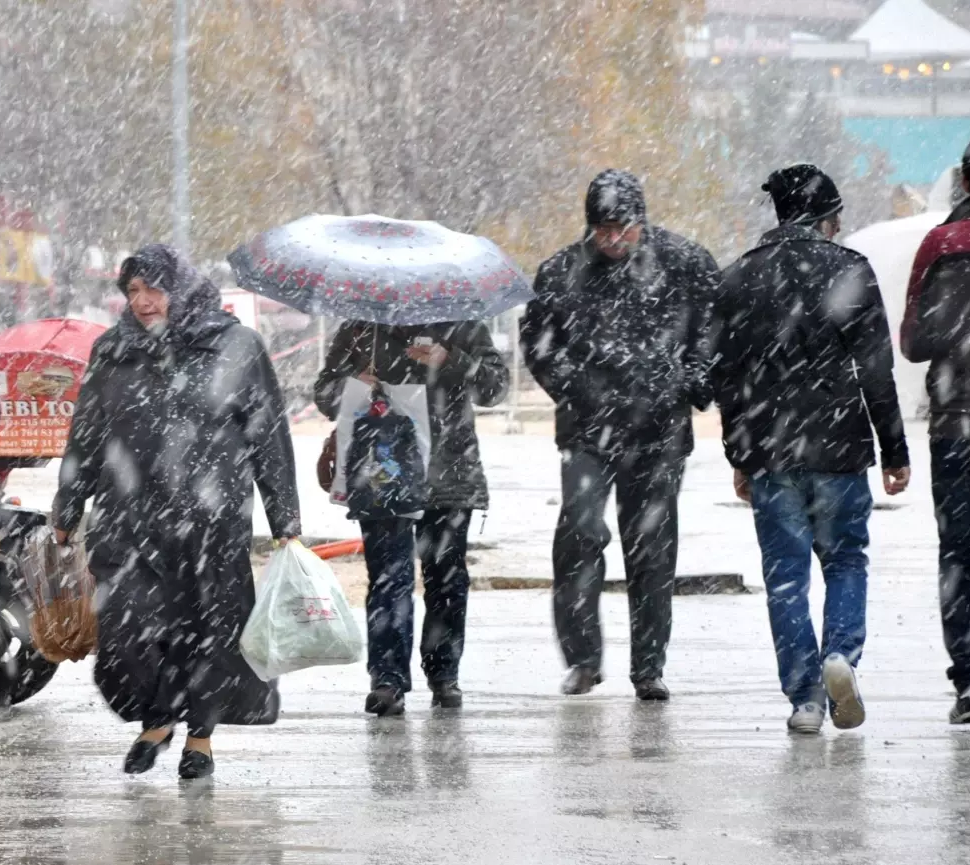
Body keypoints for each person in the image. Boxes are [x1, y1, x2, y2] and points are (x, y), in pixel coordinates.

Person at [52, 244, 301, 779]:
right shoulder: (113, 350)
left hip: (211, 522)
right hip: (128, 519)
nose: (142, 301)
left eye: (153, 288)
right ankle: (158, 714)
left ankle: (200, 738)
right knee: (130, 630)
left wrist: (287, 522)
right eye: (133, 290)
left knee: (207, 628)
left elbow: (270, 438)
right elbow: (87, 434)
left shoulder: (237, 347)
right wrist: (68, 503)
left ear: (181, 287)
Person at [712, 164, 911, 735]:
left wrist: (740, 456)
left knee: (785, 577)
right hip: (839, 446)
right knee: (846, 561)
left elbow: (727, 379)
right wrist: (894, 450)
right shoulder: (849, 270)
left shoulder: (738, 278)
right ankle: (840, 657)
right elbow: (876, 369)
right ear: (825, 219)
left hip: (772, 453)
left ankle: (804, 698)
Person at [519, 169, 719, 699]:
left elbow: (713, 330)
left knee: (652, 548)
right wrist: (579, 388)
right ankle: (583, 658)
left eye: (621, 229)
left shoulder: (684, 264)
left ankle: (648, 665)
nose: (612, 240)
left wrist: (690, 379)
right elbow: (538, 346)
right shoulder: (562, 271)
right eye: (602, 230)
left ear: (640, 222)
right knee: (580, 533)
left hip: (659, 431)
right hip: (588, 430)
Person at [314, 321, 508, 715]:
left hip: (449, 472)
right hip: (382, 473)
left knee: (447, 577)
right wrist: (354, 383)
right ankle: (387, 679)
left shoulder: (463, 322)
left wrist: (451, 360)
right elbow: (324, 394)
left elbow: (495, 388)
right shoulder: (359, 327)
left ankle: (443, 673)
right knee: (389, 577)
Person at [901, 129, 970, 732]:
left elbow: (913, 342)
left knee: (961, 558)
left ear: (965, 180)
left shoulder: (940, 244)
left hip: (956, 428)